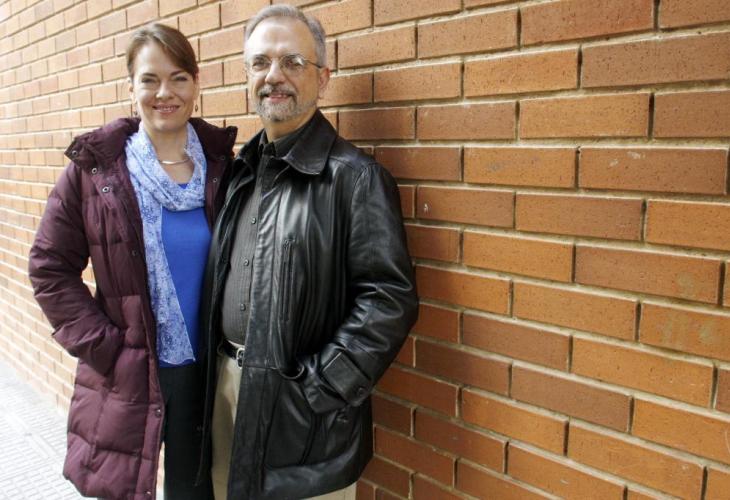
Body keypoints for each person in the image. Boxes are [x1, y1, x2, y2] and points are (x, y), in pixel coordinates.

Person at [198, 4, 418, 499]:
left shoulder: (355, 179)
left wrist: (317, 389)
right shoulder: (240, 171)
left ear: (323, 78)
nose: (273, 75)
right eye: (260, 63)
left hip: (303, 419)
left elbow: (389, 300)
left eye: (292, 62)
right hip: (226, 395)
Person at [27, 23, 236, 499]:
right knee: (121, 490)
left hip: (206, 374)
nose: (165, 93)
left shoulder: (224, 169)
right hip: (129, 368)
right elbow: (49, 266)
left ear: (197, 84)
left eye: (178, 77)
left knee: (196, 492)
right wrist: (105, 347)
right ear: (130, 87)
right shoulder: (94, 172)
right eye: (150, 79)